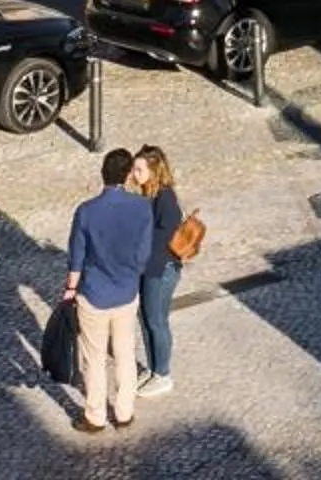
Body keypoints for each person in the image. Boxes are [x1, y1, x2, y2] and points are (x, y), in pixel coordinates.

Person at [63, 148, 151, 435]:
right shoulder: (142, 208)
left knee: (94, 358)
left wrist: (70, 289)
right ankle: (124, 412)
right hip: (126, 293)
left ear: (103, 174)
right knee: (125, 352)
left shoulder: (86, 211)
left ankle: (96, 416)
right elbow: (143, 254)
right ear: (127, 176)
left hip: (94, 295)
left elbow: (77, 257)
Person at [133, 146, 186, 398]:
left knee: (156, 321)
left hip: (161, 269)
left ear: (153, 170)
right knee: (147, 318)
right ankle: (154, 367)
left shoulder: (165, 198)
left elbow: (166, 233)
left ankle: (163, 374)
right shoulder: (148, 193)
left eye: (139, 169)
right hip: (149, 268)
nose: (134, 173)